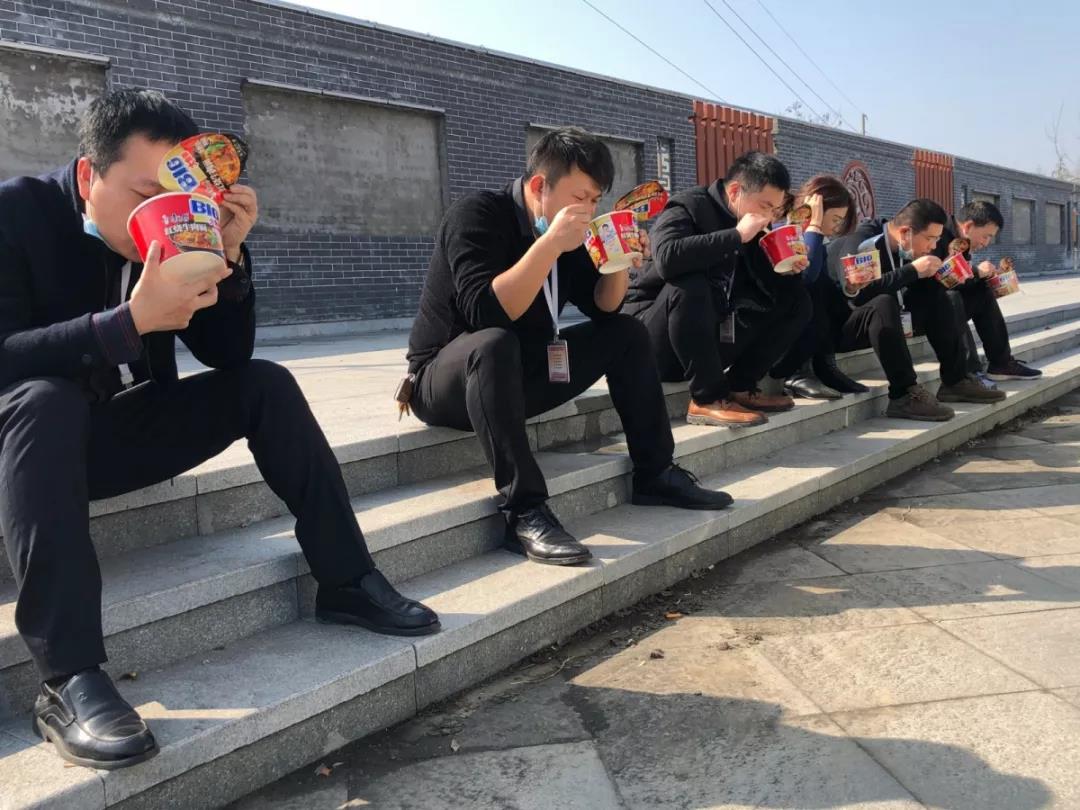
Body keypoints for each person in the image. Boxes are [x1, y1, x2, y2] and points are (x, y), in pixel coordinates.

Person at [0, 89, 439, 771]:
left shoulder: (182, 225)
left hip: (109, 436)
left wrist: (228, 256)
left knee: (265, 383)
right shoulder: (15, 215)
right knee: (46, 400)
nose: (158, 211)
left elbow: (228, 354)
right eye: (143, 193)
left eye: (174, 195)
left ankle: (347, 580)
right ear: (88, 175)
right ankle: (68, 677)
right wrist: (125, 324)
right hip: (23, 447)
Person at [404, 127, 732, 569]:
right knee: (494, 343)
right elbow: (487, 312)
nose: (588, 210)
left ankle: (655, 473)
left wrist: (617, 262)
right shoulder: (477, 214)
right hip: (446, 382)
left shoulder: (569, 233)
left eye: (595, 200)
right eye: (580, 197)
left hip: (522, 375)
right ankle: (524, 510)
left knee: (627, 333)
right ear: (541, 185)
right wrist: (549, 244)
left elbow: (604, 308)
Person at [624, 151, 812, 428]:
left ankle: (740, 386)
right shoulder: (688, 206)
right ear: (735, 191)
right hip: (652, 342)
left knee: (797, 300)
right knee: (691, 282)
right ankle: (707, 398)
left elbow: (766, 290)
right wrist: (736, 236)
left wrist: (790, 269)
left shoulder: (757, 226)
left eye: (774, 210)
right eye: (765, 206)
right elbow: (666, 259)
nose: (768, 216)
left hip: (708, 339)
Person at [827, 198, 1004, 414]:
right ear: (906, 233)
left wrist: (943, 276)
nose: (933, 247)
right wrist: (912, 270)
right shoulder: (862, 240)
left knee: (940, 295)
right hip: (842, 327)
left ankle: (956, 380)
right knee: (883, 302)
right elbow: (859, 295)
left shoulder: (906, 249)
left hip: (888, 324)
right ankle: (903, 394)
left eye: (937, 239)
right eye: (930, 239)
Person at [769, 175, 868, 400]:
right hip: (775, 328)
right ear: (817, 210)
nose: (836, 228)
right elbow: (806, 276)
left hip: (803, 322)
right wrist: (814, 225)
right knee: (813, 288)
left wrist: (851, 287)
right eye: (835, 220)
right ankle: (796, 373)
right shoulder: (781, 229)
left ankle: (825, 364)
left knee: (831, 292)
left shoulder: (816, 240)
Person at [932, 200, 1041, 383]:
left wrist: (990, 279)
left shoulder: (960, 240)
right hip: (922, 309)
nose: (986, 243)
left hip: (943, 303)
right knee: (952, 298)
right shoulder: (937, 234)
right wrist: (975, 272)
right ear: (968, 226)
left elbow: (958, 282)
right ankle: (968, 373)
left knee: (982, 291)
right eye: (986, 236)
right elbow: (936, 282)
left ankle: (1001, 363)